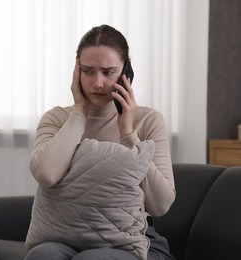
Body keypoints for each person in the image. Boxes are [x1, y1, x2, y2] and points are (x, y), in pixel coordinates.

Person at [24, 24, 176, 260]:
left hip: (130, 240)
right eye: (88, 71)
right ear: (76, 70)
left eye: (107, 72)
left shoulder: (148, 120)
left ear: (126, 72)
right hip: (64, 236)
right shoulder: (57, 119)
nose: (97, 83)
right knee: (43, 256)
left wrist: (128, 133)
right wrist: (79, 113)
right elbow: (46, 174)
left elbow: (160, 205)